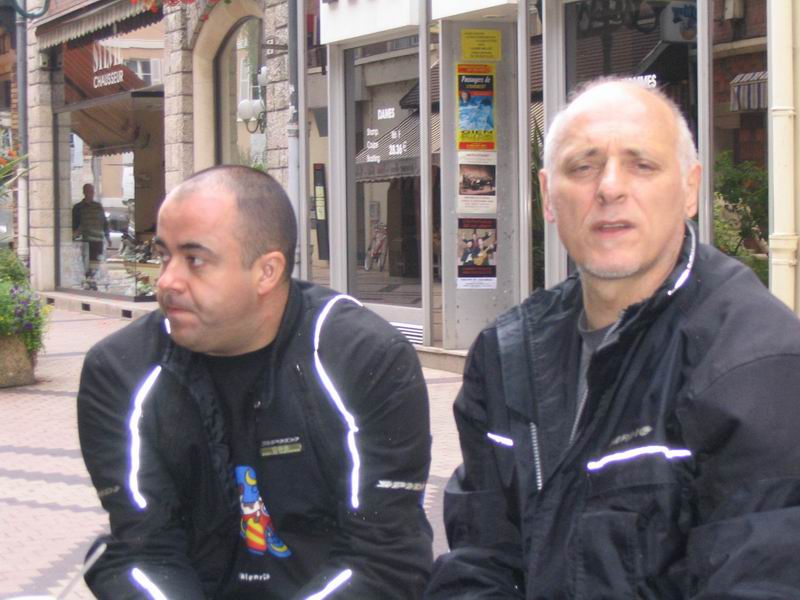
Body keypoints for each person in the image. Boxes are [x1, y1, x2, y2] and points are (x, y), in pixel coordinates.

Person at [425, 78, 800, 598]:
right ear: (547, 196)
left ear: (690, 189)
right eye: (583, 166)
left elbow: (762, 580)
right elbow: (481, 559)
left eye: (642, 164)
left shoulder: (754, 365)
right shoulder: (507, 355)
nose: (609, 188)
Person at [78, 166, 433, 599]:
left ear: (267, 271)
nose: (167, 281)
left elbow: (384, 556)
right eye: (164, 255)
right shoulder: (122, 370)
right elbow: (144, 546)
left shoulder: (364, 359)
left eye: (195, 260)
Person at [72, 183, 110, 262]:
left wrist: (107, 237)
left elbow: (104, 223)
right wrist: (74, 235)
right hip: (85, 241)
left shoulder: (98, 206)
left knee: (96, 263)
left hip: (98, 241)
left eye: (92, 191)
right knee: (86, 262)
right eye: (88, 191)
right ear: (84, 192)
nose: (91, 194)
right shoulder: (78, 207)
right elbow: (74, 224)